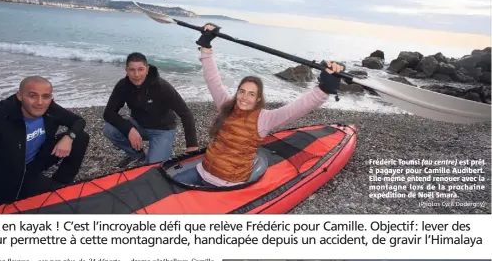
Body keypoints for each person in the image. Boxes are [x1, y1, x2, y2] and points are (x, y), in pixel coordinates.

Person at [173, 24, 345, 187]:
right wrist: (206, 46)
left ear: (258, 98)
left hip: (227, 184)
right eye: (242, 91)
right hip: (202, 171)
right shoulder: (226, 105)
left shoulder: (265, 119)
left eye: (251, 94)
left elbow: (298, 108)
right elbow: (213, 79)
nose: (244, 98)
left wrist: (324, 89)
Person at [0, 76, 89, 213]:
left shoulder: (49, 107)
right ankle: (54, 188)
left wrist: (69, 137)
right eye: (32, 95)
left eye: (45, 96)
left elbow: (78, 121)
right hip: (5, 176)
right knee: (61, 201)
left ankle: (61, 181)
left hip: (34, 163)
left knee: (80, 137)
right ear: (19, 96)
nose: (40, 102)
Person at [103, 52, 198, 164]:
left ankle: (155, 154)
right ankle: (137, 155)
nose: (136, 74)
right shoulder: (123, 85)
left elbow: (185, 113)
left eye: (141, 69)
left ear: (147, 69)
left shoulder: (162, 87)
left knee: (153, 167)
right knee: (109, 129)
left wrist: (192, 145)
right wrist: (129, 129)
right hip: (139, 125)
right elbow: (108, 113)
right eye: (132, 70)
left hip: (162, 130)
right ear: (126, 70)